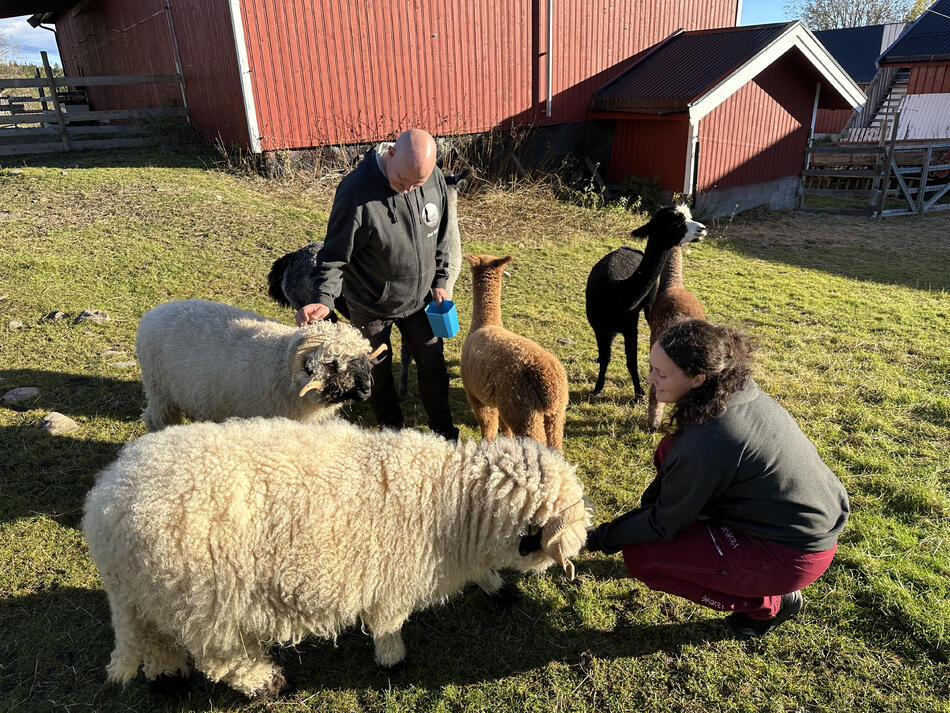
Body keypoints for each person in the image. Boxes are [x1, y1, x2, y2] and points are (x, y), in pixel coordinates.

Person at [584, 319, 849, 639]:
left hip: (791, 554)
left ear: (698, 378)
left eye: (662, 373)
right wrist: (656, 507)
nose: (651, 379)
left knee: (642, 556)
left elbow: (662, 525)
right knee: (669, 448)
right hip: (795, 518)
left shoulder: (707, 441)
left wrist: (597, 538)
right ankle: (703, 533)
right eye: (651, 367)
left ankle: (769, 604)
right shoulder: (733, 390)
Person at [295, 129, 458, 440]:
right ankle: (391, 437)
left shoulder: (432, 177)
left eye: (417, 184)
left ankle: (444, 434)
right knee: (376, 375)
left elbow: (441, 235)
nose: (409, 189)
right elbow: (332, 257)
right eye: (402, 182)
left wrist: (440, 278)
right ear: (391, 153)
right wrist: (324, 299)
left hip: (421, 300)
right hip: (371, 305)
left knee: (433, 365)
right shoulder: (356, 193)